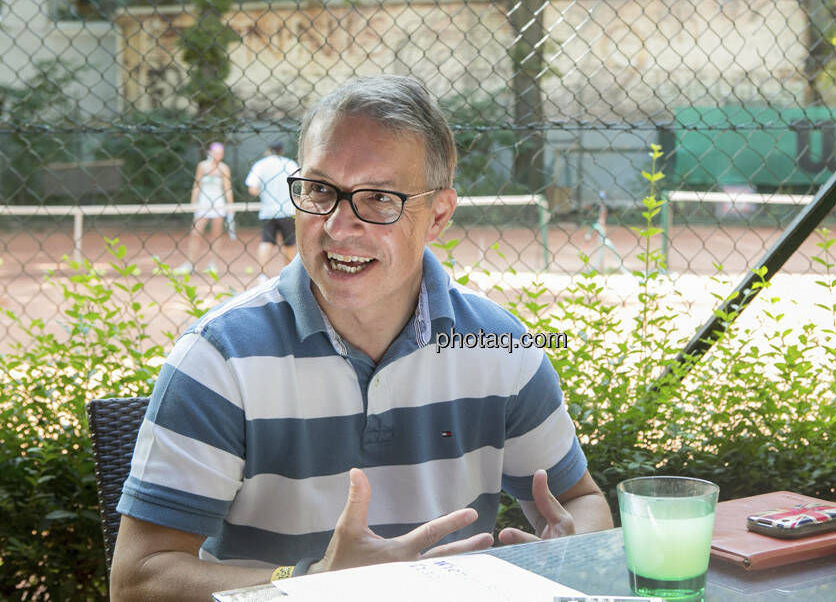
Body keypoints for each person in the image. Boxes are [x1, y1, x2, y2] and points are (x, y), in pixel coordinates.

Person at [110, 75, 613, 600]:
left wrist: (572, 548)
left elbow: (580, 501)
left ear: (438, 214)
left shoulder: (500, 346)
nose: (337, 226)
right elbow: (137, 580)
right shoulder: (220, 358)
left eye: (378, 198)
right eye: (321, 190)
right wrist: (309, 584)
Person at [245, 142, 300, 283]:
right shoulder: (290, 164)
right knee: (289, 243)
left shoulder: (261, 164)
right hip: (288, 210)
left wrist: (265, 193)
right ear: (282, 151)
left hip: (268, 211)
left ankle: (262, 275)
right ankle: (289, 275)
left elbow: (252, 188)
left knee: (266, 241)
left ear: (269, 150)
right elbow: (299, 185)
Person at [177, 141, 234, 274]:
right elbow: (197, 185)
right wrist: (194, 203)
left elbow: (227, 188)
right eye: (216, 153)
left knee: (216, 235)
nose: (218, 155)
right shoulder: (202, 166)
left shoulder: (224, 168)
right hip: (203, 204)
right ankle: (190, 264)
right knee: (195, 233)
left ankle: (212, 264)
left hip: (219, 204)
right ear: (210, 152)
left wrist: (230, 206)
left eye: (220, 153)